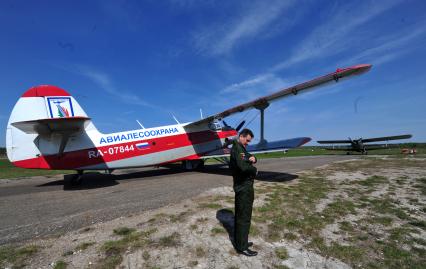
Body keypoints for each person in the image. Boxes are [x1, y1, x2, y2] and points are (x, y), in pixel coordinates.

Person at [229, 128, 258, 256]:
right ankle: (242, 247)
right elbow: (242, 166)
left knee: (242, 216)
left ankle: (241, 241)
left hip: (244, 186)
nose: (247, 143)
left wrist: (254, 158)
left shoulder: (241, 148)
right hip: (243, 187)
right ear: (241, 136)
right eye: (247, 140)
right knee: (244, 217)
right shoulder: (237, 148)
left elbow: (248, 157)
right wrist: (254, 170)